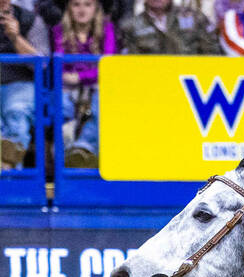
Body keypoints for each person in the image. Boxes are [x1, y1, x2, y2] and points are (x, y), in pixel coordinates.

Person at [53, 0, 115, 168]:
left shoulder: (107, 29)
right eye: (76, 5)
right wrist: (75, 78)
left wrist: (80, 77)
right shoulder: (59, 30)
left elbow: (108, 65)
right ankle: (67, 158)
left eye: (88, 5)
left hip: (99, 85)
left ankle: (83, 149)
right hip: (66, 87)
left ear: (96, 8)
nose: (82, 10)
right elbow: (59, 64)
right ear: (69, 8)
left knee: (100, 106)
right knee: (62, 106)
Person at [1, 0, 42, 170]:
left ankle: (12, 177)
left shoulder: (30, 20)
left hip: (20, 83)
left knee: (16, 111)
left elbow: (41, 63)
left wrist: (16, 37)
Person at [120, 0, 220, 54]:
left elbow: (212, 52)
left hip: (190, 81)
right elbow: (129, 63)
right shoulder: (131, 26)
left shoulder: (196, 18)